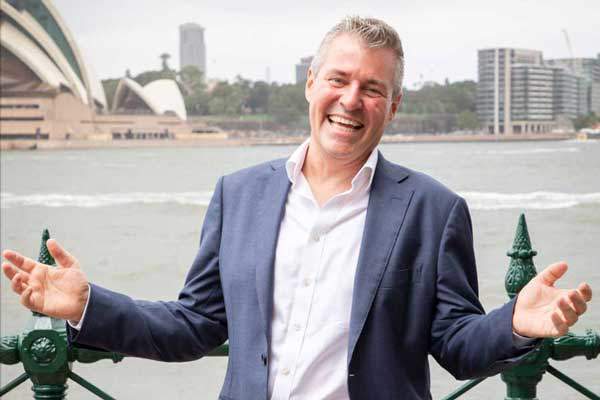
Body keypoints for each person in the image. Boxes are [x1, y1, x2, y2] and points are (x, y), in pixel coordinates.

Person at [2, 16, 593, 400]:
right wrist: (87, 305)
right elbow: (196, 326)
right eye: (339, 79)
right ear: (311, 83)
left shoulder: (434, 210)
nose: (351, 100)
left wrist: (516, 323)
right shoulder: (239, 194)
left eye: (373, 89)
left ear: (394, 106)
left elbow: (458, 346)